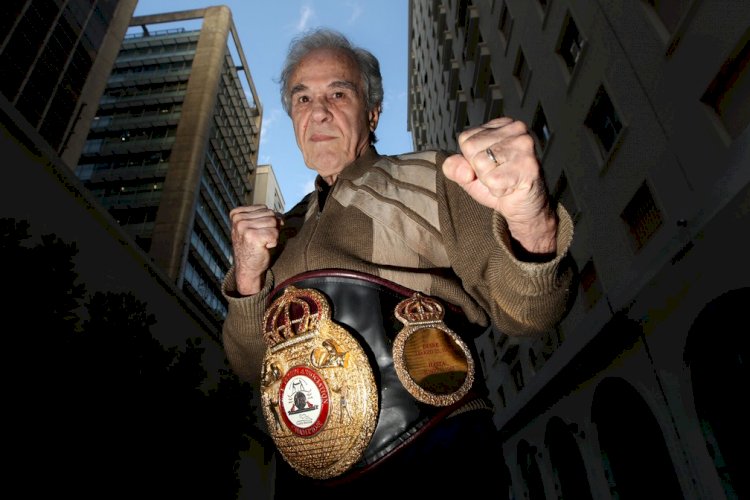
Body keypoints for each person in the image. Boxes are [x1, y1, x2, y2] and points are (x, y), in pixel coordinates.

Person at [222, 27, 576, 497]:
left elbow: (532, 313)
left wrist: (531, 219)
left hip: (435, 459)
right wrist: (248, 275)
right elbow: (248, 366)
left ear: (372, 112)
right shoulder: (278, 232)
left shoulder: (435, 176)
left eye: (338, 92)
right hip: (304, 477)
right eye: (302, 98)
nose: (319, 111)